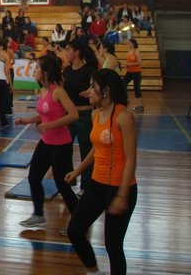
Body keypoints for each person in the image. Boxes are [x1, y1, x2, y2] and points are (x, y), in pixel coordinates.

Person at [66, 69, 138, 275]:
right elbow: (96, 150)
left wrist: (122, 196)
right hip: (97, 184)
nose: (88, 90)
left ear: (105, 91)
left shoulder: (123, 116)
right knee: (75, 230)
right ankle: (94, 270)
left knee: (113, 246)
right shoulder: (96, 113)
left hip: (120, 187)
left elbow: (131, 158)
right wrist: (77, 171)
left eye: (92, 86)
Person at [15, 55, 79, 228]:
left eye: (37, 68)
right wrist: (28, 121)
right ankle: (38, 215)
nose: (34, 71)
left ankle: (79, 221)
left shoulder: (57, 91)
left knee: (62, 185)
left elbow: (73, 114)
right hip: (46, 142)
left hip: (61, 145)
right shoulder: (42, 90)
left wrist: (49, 125)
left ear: (46, 72)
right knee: (34, 177)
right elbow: (45, 114)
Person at [63, 40, 98, 194]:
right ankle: (69, 180)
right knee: (65, 149)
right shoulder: (67, 71)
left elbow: (95, 87)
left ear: (76, 52)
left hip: (85, 115)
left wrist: (89, 91)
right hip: (70, 116)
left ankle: (86, 185)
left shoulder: (89, 70)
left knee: (86, 150)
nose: (66, 53)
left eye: (68, 50)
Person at [123, 39, 143, 111]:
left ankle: (140, 105)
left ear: (133, 44)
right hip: (129, 72)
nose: (128, 44)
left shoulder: (136, 51)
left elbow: (140, 62)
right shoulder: (129, 52)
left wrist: (129, 64)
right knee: (123, 83)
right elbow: (128, 62)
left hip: (136, 72)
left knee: (136, 88)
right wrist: (126, 66)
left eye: (129, 43)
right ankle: (126, 99)